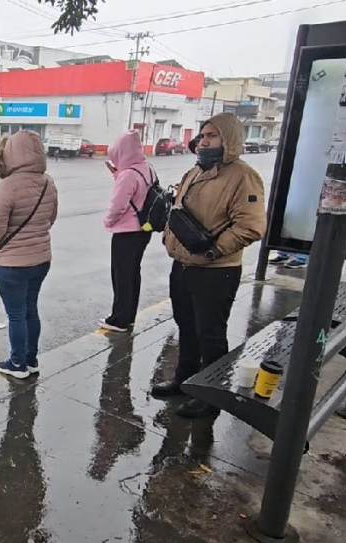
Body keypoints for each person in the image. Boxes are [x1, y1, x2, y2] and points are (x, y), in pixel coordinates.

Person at [151, 113, 267, 418]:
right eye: (202, 135)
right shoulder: (197, 171)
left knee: (210, 334)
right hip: (183, 265)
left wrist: (214, 252)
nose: (204, 141)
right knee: (186, 327)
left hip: (216, 271)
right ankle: (184, 380)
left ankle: (212, 396)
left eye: (212, 136)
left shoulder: (243, 176)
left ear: (228, 139)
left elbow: (251, 225)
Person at [0, 131, 59, 379]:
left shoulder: (8, 185)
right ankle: (31, 358)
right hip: (41, 259)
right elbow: (50, 219)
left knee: (15, 315)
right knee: (30, 310)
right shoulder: (48, 182)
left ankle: (17, 364)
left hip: (13, 264)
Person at [99, 130, 154, 333]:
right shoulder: (145, 168)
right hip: (143, 229)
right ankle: (129, 314)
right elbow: (138, 193)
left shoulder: (128, 175)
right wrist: (117, 174)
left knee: (121, 275)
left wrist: (108, 221)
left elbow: (118, 205)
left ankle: (119, 319)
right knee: (132, 273)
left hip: (126, 232)